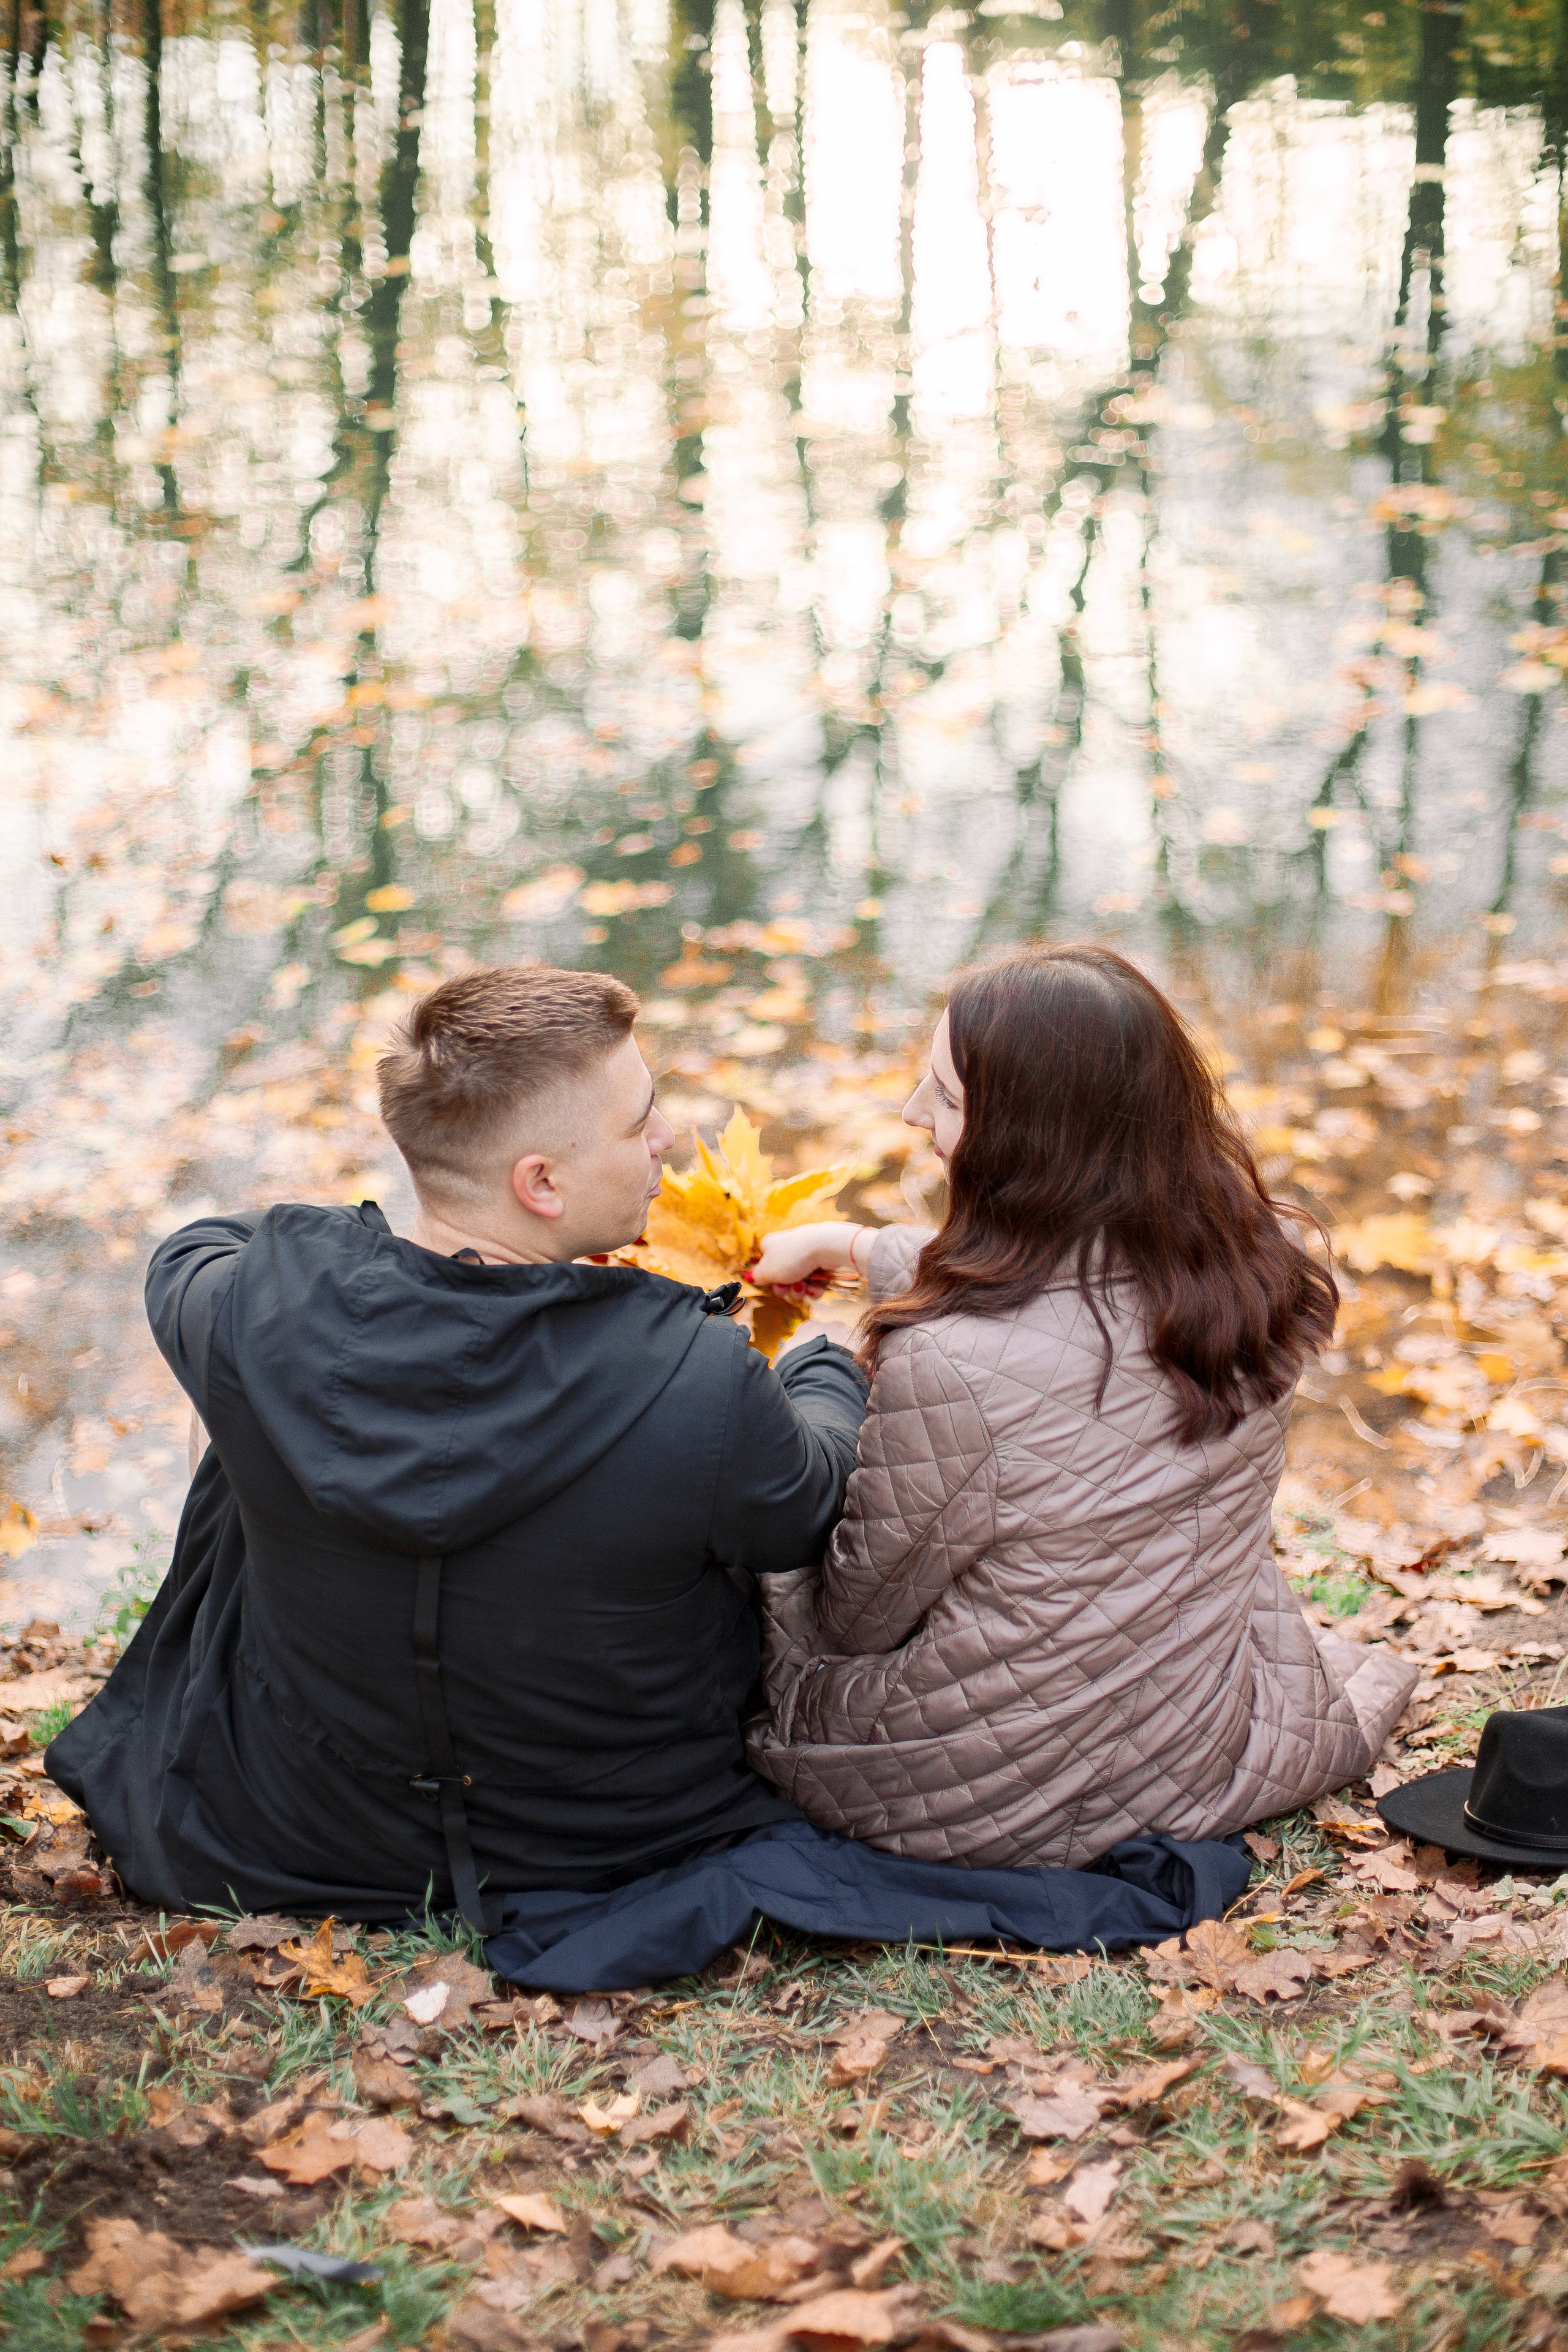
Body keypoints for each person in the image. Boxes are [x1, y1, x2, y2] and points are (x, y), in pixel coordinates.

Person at [47, 963, 870, 1924]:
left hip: (290, 1836)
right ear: (542, 1182)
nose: (667, 1138)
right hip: (614, 1844)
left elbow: (195, 1248)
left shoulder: (258, 1308)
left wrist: (385, 1251)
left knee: (249, 1396)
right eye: (640, 1119)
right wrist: (821, 1364)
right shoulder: (700, 1377)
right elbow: (811, 1505)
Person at [747, 946, 1417, 1866]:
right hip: (1196, 1739)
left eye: (943, 1098)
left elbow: (857, 1619)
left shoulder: (949, 1362)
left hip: (975, 1785)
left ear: (1031, 1145)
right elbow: (1069, 1296)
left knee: (756, 1558)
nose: (913, 1114)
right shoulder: (1257, 1276)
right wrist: (857, 1245)